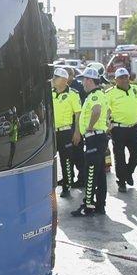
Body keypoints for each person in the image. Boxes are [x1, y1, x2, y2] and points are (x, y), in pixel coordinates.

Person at [70, 68, 109, 217]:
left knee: (90, 171)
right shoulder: (98, 94)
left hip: (94, 137)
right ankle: (99, 205)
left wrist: (90, 127)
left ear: (89, 80)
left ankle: (88, 205)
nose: (82, 83)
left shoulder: (94, 95)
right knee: (99, 174)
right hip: (98, 138)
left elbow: (97, 111)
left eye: (83, 80)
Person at [106, 67, 137, 192]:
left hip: (133, 127)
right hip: (118, 129)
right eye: (121, 78)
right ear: (115, 80)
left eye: (126, 77)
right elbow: (105, 110)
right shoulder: (110, 93)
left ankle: (128, 173)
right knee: (120, 156)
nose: (124, 80)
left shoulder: (135, 89)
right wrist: (107, 124)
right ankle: (121, 182)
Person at [51, 67, 82, 198]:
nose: (53, 79)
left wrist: (77, 132)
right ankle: (50, 187)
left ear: (64, 80)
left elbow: (78, 114)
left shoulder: (73, 94)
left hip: (66, 132)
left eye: (56, 77)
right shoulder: (50, 93)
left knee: (66, 161)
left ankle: (66, 187)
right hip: (52, 133)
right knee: (51, 162)